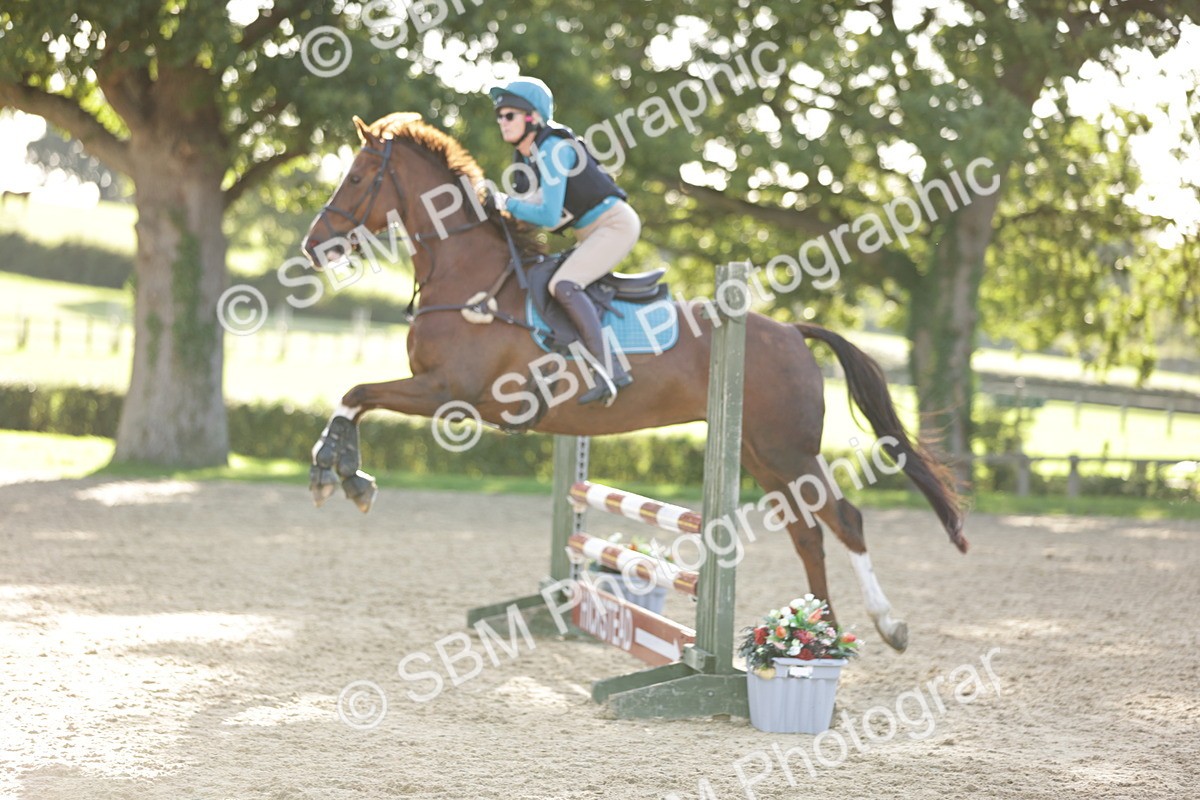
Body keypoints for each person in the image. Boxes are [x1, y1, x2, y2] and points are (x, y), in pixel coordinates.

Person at [488, 77, 641, 406]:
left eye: (509, 115)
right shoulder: (526, 158)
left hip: (615, 225)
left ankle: (612, 370)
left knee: (564, 284)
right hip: (592, 232)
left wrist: (504, 202)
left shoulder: (554, 148)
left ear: (532, 117)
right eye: (499, 116)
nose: (501, 121)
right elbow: (529, 211)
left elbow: (545, 214)